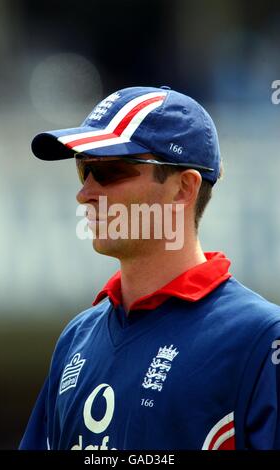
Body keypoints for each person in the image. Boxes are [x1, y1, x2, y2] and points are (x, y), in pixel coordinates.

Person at [20, 86, 280, 450]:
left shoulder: (262, 338)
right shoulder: (76, 338)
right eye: (84, 169)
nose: (85, 193)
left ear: (183, 188)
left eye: (110, 170)